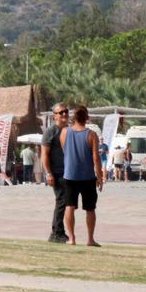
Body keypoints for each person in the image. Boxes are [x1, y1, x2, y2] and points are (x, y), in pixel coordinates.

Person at [61, 105, 103, 247]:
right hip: (87, 177)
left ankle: (71, 238)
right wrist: (100, 176)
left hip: (69, 175)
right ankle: (90, 239)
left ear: (74, 117)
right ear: (87, 118)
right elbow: (96, 158)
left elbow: (65, 150)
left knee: (69, 206)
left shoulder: (64, 132)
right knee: (90, 209)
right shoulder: (91, 135)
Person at [42, 103, 69, 243]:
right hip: (57, 172)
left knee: (66, 202)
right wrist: (48, 173)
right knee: (61, 201)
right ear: (54, 116)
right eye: (61, 112)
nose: (64, 114)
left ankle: (60, 232)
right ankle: (56, 233)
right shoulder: (51, 131)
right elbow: (44, 154)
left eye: (66, 111)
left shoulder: (69, 130)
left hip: (68, 172)